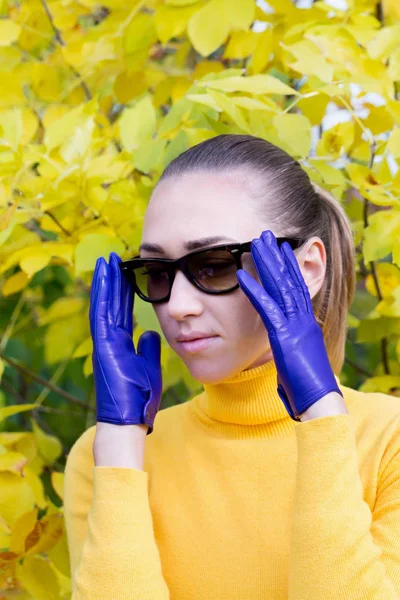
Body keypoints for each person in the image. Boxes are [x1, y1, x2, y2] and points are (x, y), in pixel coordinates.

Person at [63, 134, 400, 600]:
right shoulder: (106, 457)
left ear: (306, 268)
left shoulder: (389, 443)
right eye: (159, 273)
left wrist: (322, 417)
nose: (178, 305)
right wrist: (120, 443)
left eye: (214, 265)